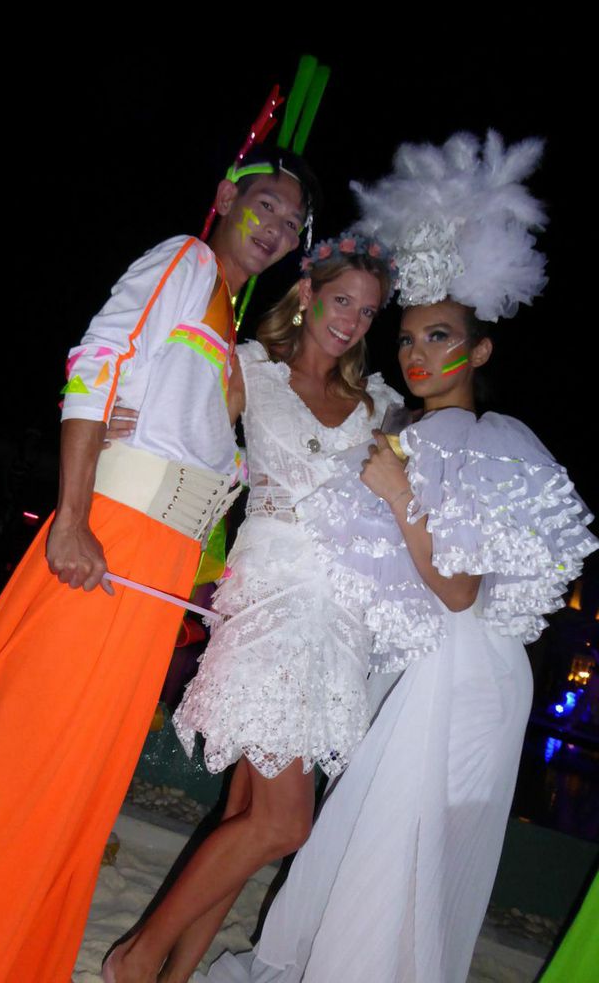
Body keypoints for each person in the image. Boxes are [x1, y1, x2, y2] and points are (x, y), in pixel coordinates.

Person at [0, 145, 317, 983]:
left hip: (155, 575)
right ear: (226, 196)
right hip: (110, 547)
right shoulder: (185, 259)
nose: (276, 226)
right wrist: (73, 514)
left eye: (292, 220)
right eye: (265, 204)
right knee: (12, 760)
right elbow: (96, 360)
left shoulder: (227, 320)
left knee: (71, 780)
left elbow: (180, 439)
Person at [197, 133, 598, 983]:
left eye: (440, 336)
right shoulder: (405, 427)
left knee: (399, 857)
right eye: (408, 337)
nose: (417, 355)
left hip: (466, 671)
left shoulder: (488, 440)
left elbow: (458, 590)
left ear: (479, 351)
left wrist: (398, 495)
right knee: (367, 849)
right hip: (416, 662)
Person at [105, 230, 402, 983]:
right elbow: (180, 422)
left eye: (367, 311)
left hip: (338, 624)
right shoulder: (250, 369)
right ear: (306, 294)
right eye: (341, 300)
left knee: (247, 816)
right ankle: (134, 959)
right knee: (282, 823)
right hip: (269, 604)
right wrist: (118, 420)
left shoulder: (379, 406)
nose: (351, 321)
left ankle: (174, 976)